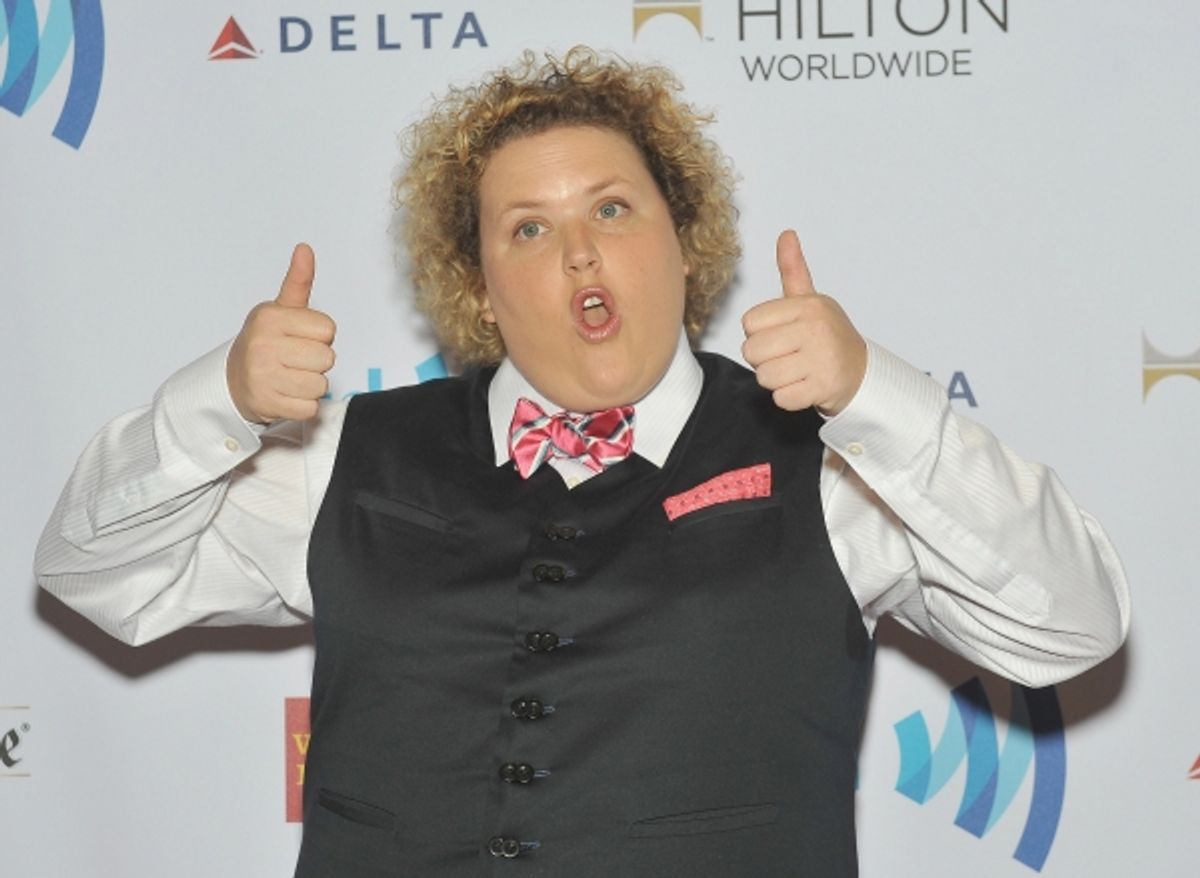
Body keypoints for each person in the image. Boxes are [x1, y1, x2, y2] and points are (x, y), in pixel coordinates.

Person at [35, 48, 1129, 877]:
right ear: (478, 279)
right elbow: (90, 572)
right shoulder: (347, 456)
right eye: (527, 228)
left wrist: (872, 393)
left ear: (682, 236)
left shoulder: (832, 460)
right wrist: (213, 404)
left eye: (612, 207)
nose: (580, 253)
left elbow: (1071, 624)